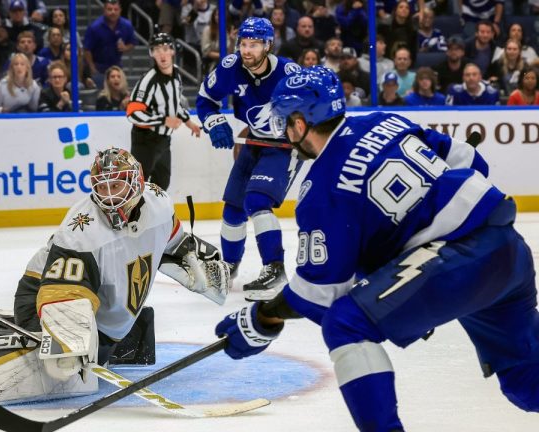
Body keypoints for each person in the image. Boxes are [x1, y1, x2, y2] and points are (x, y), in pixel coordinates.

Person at [215, 65, 539, 432]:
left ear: (302, 123)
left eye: (287, 122)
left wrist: (262, 319)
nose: (285, 133)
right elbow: (469, 159)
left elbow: (319, 296)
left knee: (345, 325)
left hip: (460, 262)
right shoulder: (385, 120)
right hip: (507, 246)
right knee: (525, 384)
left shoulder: (320, 192)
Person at [0, 148, 231, 411]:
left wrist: (192, 256)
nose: (110, 196)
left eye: (117, 184)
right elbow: (62, 295)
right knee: (61, 369)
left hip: (100, 311)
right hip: (43, 292)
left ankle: (4, 332)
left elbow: (169, 240)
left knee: (88, 355)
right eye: (103, 187)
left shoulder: (158, 201)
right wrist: (67, 342)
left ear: (138, 182)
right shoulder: (81, 230)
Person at [196, 17, 301, 301]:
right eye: (243, 43)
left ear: (268, 45)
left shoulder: (289, 73)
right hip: (254, 141)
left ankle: (275, 270)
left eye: (254, 44)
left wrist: (298, 135)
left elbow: (313, 110)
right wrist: (214, 121)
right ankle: (229, 267)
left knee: (256, 201)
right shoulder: (231, 67)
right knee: (233, 208)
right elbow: (206, 99)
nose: (247, 50)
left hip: (282, 146)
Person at [126, 33, 201, 191]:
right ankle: (133, 216)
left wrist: (189, 122)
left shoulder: (176, 75)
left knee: (161, 185)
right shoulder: (148, 81)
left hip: (163, 140)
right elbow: (133, 113)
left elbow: (173, 104)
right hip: (145, 140)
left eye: (165, 49)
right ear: (151, 53)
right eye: (157, 49)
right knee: (138, 185)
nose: (162, 53)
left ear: (173, 51)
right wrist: (163, 120)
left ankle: (153, 215)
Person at [83, 0, 136, 88]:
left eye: (116, 9)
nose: (113, 12)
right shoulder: (95, 27)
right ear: (104, 10)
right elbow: (87, 49)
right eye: (109, 9)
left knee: (119, 94)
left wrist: (125, 48)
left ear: (120, 10)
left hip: (117, 66)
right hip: (98, 66)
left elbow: (132, 42)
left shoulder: (127, 25)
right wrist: (92, 68)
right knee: (100, 95)